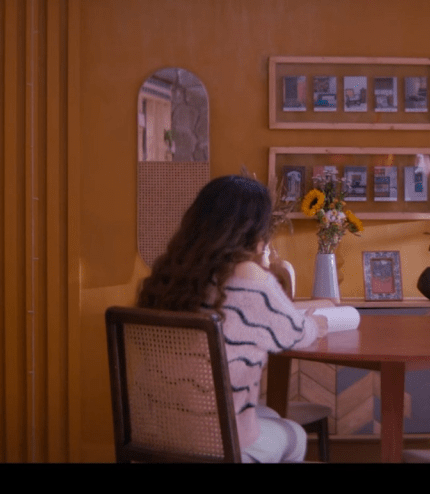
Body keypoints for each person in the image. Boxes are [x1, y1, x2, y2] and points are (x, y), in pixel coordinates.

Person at [137, 175, 329, 463]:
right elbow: (296, 332)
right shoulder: (247, 275)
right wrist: (318, 323)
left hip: (157, 435)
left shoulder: (166, 275)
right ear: (255, 230)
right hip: (217, 444)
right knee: (295, 434)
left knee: (269, 414)